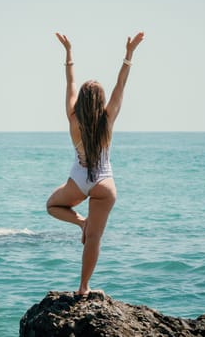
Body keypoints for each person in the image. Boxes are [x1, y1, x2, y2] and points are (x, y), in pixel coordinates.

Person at [46, 31, 145, 296]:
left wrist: (68, 52)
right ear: (100, 101)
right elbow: (120, 85)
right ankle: (83, 287)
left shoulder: (72, 118)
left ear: (81, 100)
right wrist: (129, 54)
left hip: (79, 180)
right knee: (94, 239)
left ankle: (80, 222)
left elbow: (69, 81)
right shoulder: (108, 118)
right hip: (104, 182)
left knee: (52, 205)